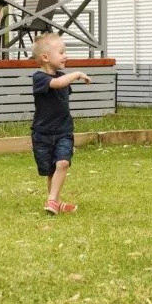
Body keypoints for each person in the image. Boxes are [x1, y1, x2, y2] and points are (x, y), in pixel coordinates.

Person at [31, 33, 90, 215]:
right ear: (45, 57)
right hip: (42, 134)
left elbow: (61, 87)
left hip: (64, 132)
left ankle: (52, 201)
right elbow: (56, 83)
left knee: (63, 163)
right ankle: (56, 202)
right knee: (51, 171)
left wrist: (71, 76)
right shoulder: (39, 78)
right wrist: (77, 74)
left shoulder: (63, 77)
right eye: (62, 52)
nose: (66, 55)